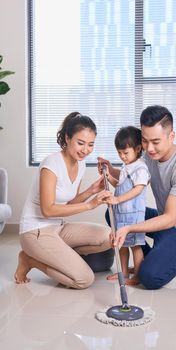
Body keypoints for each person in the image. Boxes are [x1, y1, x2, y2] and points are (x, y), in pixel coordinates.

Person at [99, 105, 176, 290]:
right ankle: (160, 254)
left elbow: (171, 218)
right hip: (164, 219)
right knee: (114, 215)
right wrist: (110, 169)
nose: (149, 148)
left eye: (156, 141)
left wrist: (129, 228)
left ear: (171, 136)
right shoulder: (150, 155)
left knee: (150, 278)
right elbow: (134, 178)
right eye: (145, 141)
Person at [14, 112, 110, 289]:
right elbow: (48, 210)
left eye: (90, 145)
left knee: (110, 236)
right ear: (67, 138)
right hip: (35, 232)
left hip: (58, 228)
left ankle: (62, 255)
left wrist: (92, 190)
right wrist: (90, 204)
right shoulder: (51, 164)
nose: (85, 150)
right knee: (84, 280)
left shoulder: (80, 163)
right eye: (80, 143)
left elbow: (70, 203)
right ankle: (30, 260)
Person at [102, 126, 150, 285]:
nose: (122, 156)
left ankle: (137, 275)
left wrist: (117, 200)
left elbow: (138, 189)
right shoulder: (126, 166)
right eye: (119, 153)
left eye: (125, 153)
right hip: (121, 214)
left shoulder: (140, 167)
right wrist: (108, 176)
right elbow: (120, 185)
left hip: (133, 215)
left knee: (136, 246)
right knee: (121, 245)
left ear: (137, 149)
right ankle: (123, 272)